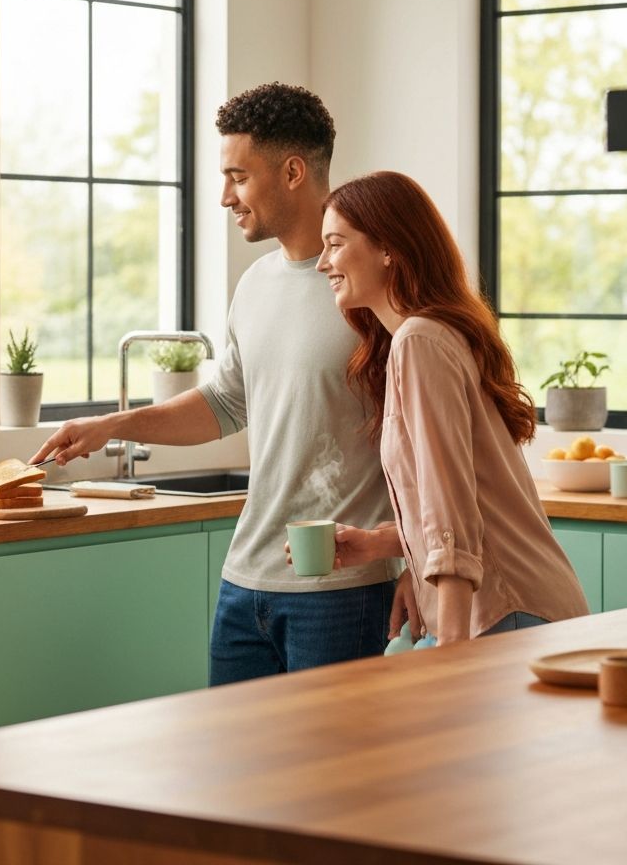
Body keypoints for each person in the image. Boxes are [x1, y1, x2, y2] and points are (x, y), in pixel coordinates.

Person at [32, 82, 400, 685]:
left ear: (291, 172)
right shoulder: (255, 284)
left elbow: (423, 439)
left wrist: (412, 562)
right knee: (236, 776)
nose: (226, 196)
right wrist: (112, 426)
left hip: (342, 587)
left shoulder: (367, 286)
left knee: (330, 779)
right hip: (244, 584)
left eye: (238, 176)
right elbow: (226, 404)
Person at [314, 170, 588, 645]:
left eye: (335, 244)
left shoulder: (419, 340)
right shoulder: (428, 336)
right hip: (521, 607)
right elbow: (465, 502)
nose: (322, 263)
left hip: (507, 610)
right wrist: (388, 547)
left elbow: (449, 506)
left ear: (387, 248)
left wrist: (452, 651)